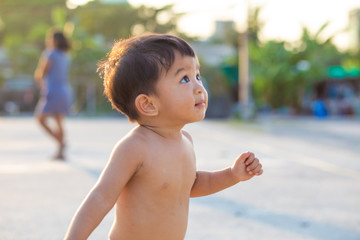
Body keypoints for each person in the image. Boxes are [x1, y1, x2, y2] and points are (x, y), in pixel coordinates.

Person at [64, 33, 263, 240]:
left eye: (197, 75)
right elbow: (101, 198)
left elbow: (192, 185)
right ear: (148, 104)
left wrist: (232, 174)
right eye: (184, 79)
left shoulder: (186, 141)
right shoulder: (135, 147)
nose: (198, 88)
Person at [34, 29, 71, 160]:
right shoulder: (65, 55)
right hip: (65, 91)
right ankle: (61, 150)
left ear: (54, 40)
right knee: (59, 121)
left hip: (53, 91)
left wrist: (39, 82)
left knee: (40, 119)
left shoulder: (50, 54)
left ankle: (61, 143)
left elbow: (41, 74)